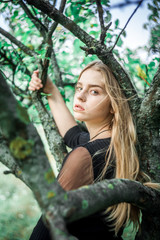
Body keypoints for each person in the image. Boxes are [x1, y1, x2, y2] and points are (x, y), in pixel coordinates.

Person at [28, 60, 150, 240]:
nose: (80, 96)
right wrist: (52, 91)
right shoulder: (117, 149)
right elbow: (74, 136)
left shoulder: (85, 155)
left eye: (94, 91)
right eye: (79, 88)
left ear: (113, 104)